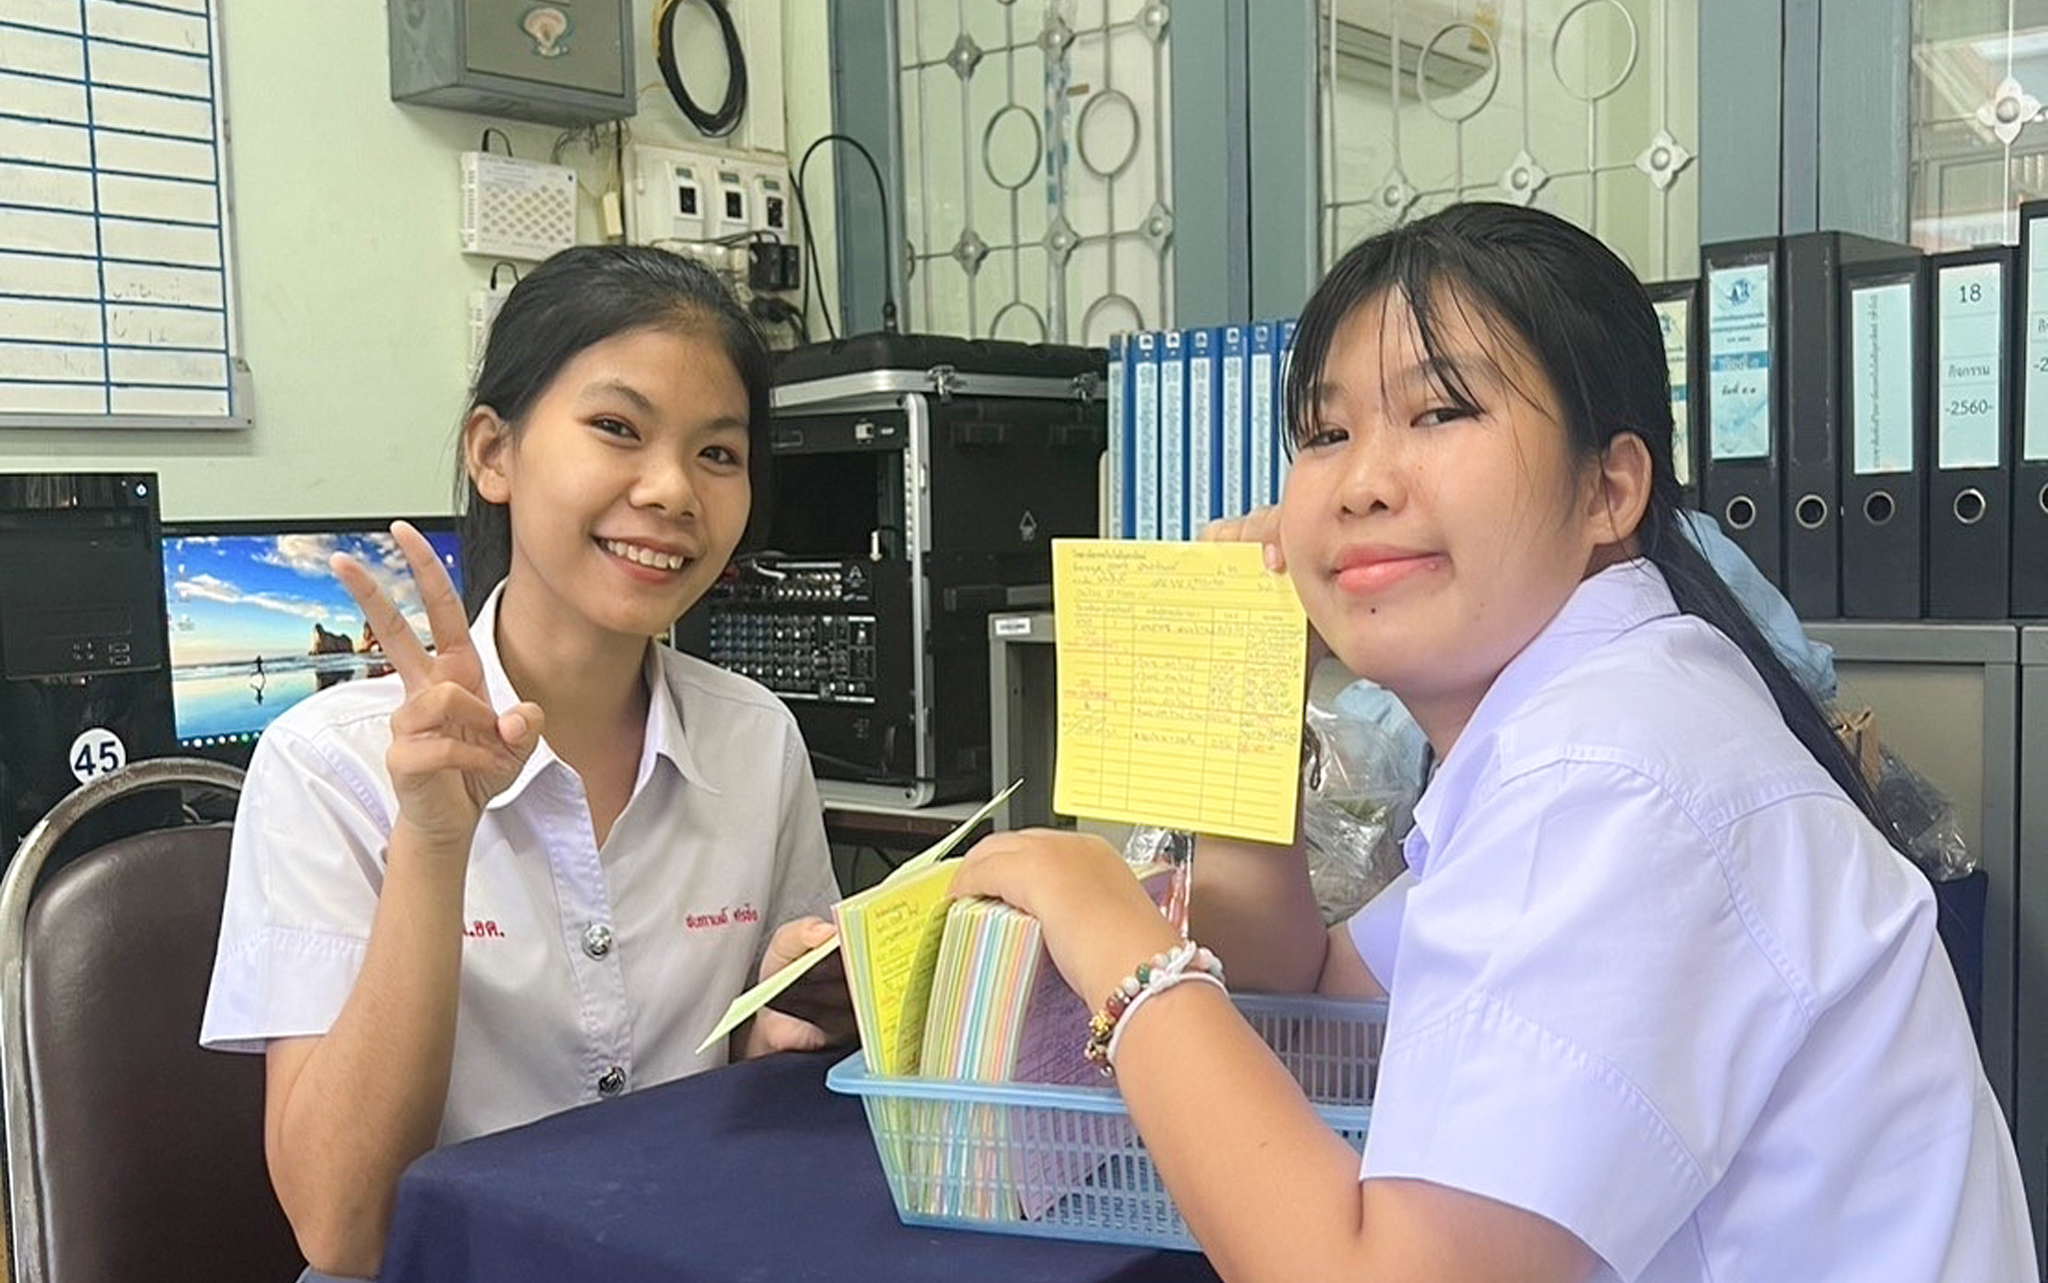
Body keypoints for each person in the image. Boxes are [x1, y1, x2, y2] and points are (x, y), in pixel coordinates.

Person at [952, 204, 2037, 1281]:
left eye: (1439, 413)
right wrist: (1246, 699)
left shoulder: (1612, 772)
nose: (1364, 480)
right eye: (1326, 434)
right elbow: (1317, 987)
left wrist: (1109, 931)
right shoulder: (1600, 708)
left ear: (1608, 487)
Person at [200, 246, 845, 1280]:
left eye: (718, 454)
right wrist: (432, 840)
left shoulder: (754, 739)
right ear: (492, 453)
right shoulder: (327, 765)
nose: (673, 490)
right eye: (616, 430)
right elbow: (345, 1229)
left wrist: (789, 1029)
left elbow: (749, 1065)